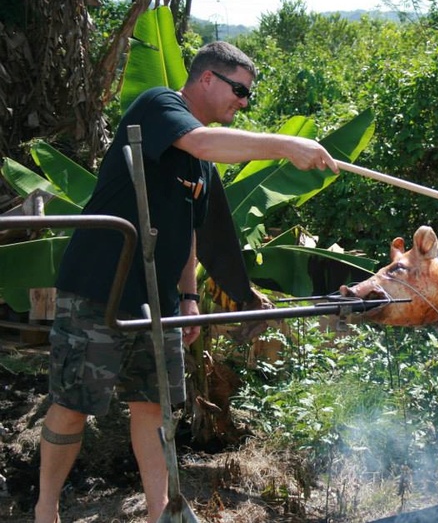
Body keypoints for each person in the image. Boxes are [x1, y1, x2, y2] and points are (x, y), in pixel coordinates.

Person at [34, 41, 337, 523]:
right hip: (100, 287)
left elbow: (193, 231)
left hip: (157, 300)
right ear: (207, 79)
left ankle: (161, 513)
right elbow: (201, 142)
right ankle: (45, 507)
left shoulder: (200, 165)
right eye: (240, 90)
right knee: (74, 404)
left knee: (152, 408)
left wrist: (191, 298)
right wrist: (285, 144)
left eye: (248, 95)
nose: (244, 102)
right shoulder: (160, 105)